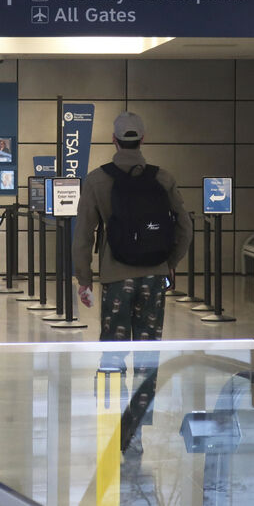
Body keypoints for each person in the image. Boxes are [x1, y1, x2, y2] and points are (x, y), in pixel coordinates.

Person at [72, 112, 192, 453]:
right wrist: (169, 263)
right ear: (143, 139)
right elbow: (185, 227)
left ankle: (111, 424)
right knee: (147, 355)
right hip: (154, 278)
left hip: (116, 279)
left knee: (112, 354)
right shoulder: (163, 178)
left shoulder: (97, 180)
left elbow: (83, 235)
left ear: (113, 140)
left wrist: (84, 278)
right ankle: (136, 428)